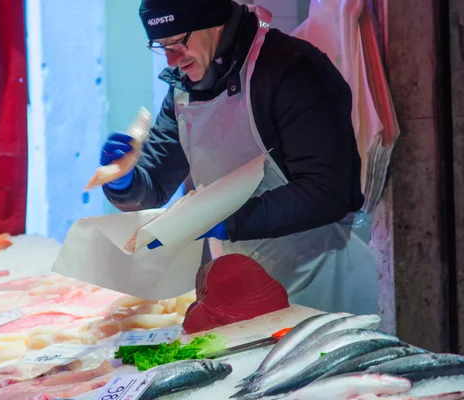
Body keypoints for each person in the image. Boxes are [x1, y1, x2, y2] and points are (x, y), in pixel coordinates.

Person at [97, 0, 378, 315]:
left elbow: (327, 191)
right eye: (161, 46)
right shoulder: (184, 90)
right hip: (244, 288)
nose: (172, 60)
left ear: (214, 22)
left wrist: (225, 220)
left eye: (178, 42)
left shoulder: (294, 70)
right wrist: (124, 180)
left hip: (326, 285)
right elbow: (153, 185)